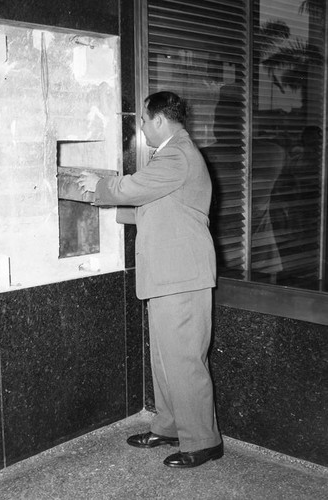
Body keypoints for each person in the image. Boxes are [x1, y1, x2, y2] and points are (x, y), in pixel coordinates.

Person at [77, 91, 222, 468]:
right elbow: (157, 207)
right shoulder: (174, 157)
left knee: (184, 360)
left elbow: (137, 186)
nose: (141, 127)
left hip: (182, 276)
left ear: (159, 120)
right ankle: (170, 425)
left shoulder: (177, 154)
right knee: (165, 359)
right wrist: (108, 207)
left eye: (143, 120)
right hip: (168, 275)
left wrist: (102, 186)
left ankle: (203, 441)